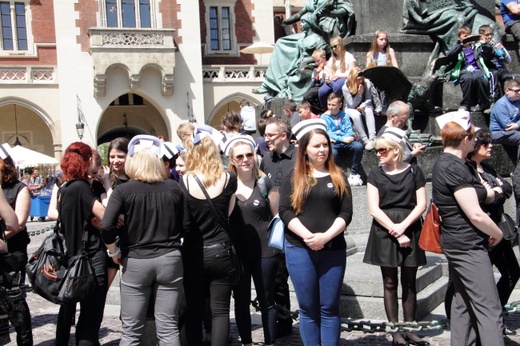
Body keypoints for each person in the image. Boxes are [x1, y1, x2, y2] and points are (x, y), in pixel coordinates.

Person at [101, 135, 188, 345]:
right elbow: (186, 227)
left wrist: (113, 251)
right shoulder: (174, 187)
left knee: (131, 331)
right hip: (169, 258)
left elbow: (106, 226)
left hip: (137, 260)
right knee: (168, 328)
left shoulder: (123, 190)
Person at [279, 119, 352, 346]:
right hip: (299, 249)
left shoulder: (338, 176)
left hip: (332, 249)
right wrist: (308, 237)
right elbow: (285, 211)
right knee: (308, 308)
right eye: (316, 146)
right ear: (304, 149)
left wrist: (326, 236)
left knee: (329, 307)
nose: (322, 150)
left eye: (325, 145)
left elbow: (346, 212)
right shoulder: (293, 177)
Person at [432, 119, 504, 345]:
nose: (475, 142)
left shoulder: (450, 163)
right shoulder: (453, 166)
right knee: (490, 311)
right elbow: (475, 214)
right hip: (467, 245)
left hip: (458, 242)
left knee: (462, 303)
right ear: (465, 140)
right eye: (473, 138)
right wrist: (498, 233)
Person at [363, 128, 428, 346]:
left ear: (395, 150)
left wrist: (404, 226)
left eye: (382, 150)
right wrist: (394, 228)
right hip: (385, 229)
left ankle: (410, 327)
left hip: (410, 225)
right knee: (389, 281)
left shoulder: (414, 172)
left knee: (410, 282)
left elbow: (421, 204)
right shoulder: (374, 174)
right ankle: (394, 331)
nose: (378, 153)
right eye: (377, 150)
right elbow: (374, 208)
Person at [179, 130, 237, 346]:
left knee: (194, 309)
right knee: (220, 312)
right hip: (221, 250)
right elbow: (228, 214)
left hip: (193, 251)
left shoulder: (184, 181)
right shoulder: (229, 179)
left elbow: (184, 221)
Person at [226, 135, 279, 346]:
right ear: (232, 160)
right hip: (237, 254)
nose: (246, 159)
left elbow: (277, 218)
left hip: (265, 252)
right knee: (240, 301)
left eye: (249, 154)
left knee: (267, 301)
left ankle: (270, 342)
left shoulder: (264, 182)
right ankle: (246, 342)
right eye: (240, 156)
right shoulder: (226, 185)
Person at [467, 129, 520, 335]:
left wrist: (496, 192)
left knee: (512, 273)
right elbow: (482, 198)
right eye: (485, 143)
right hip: (481, 230)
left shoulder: (487, 167)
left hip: (498, 226)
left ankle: (495, 315)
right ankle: (479, 321)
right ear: (474, 147)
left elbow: (506, 187)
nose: (490, 146)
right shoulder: (468, 169)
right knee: (479, 280)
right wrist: (496, 192)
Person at [56, 142, 106, 346]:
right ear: (85, 161)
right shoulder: (82, 187)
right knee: (90, 317)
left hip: (72, 256)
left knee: (69, 311)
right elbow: (106, 216)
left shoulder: (65, 188)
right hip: (90, 258)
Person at [259, 116, 296, 336]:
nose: (266, 139)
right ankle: (283, 321)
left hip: (299, 226)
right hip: (277, 228)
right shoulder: (266, 159)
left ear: (284, 135)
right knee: (277, 277)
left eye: (270, 135)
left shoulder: (301, 157)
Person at [0, 144, 33, 346]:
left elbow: (19, 223)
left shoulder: (19, 188)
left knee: (16, 300)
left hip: (13, 251)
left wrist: (1, 239)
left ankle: (25, 340)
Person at [446, 25, 493, 112]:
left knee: (481, 78)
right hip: (464, 70)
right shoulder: (459, 47)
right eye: (465, 36)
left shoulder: (476, 46)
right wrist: (461, 44)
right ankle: (466, 104)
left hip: (477, 69)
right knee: (468, 78)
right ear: (459, 37)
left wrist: (485, 44)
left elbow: (488, 54)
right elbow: (450, 55)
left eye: (468, 36)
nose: (467, 38)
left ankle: (484, 104)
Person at [320, 92, 364, 186]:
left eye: (333, 105)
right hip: (335, 143)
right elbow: (328, 133)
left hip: (345, 140)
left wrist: (346, 138)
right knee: (333, 153)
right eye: (329, 104)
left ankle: (354, 173)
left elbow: (350, 131)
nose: (330, 107)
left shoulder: (344, 115)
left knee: (359, 147)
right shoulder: (324, 117)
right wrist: (342, 139)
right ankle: (339, 173)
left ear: (340, 105)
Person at [342, 66, 377, 150]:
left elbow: (369, 98)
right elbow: (351, 104)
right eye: (358, 79)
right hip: (351, 108)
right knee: (356, 115)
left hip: (364, 104)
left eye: (361, 79)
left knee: (368, 111)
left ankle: (372, 138)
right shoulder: (345, 87)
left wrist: (363, 105)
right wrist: (359, 94)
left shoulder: (367, 82)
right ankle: (365, 140)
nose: (360, 81)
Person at [318, 36, 356, 111]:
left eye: (335, 46)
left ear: (341, 44)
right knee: (322, 91)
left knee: (337, 86)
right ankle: (327, 110)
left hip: (345, 78)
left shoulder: (349, 56)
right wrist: (327, 78)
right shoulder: (332, 59)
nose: (334, 49)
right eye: (332, 47)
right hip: (333, 80)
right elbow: (329, 72)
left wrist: (339, 75)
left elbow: (353, 72)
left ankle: (338, 109)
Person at [479, 24, 513, 101]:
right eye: (487, 35)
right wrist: (485, 46)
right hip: (489, 67)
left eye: (491, 34)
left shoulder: (495, 44)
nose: (490, 37)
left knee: (508, 77)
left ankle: (509, 98)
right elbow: (483, 59)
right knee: (493, 75)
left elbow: (508, 61)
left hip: (500, 67)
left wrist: (503, 51)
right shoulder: (479, 46)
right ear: (481, 35)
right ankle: (493, 99)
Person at [490, 78, 520, 160]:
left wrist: (517, 124)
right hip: (499, 133)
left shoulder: (518, 101)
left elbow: (515, 126)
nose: (519, 93)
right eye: (516, 91)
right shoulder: (501, 104)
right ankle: (518, 172)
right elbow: (508, 126)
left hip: (514, 132)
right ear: (507, 91)